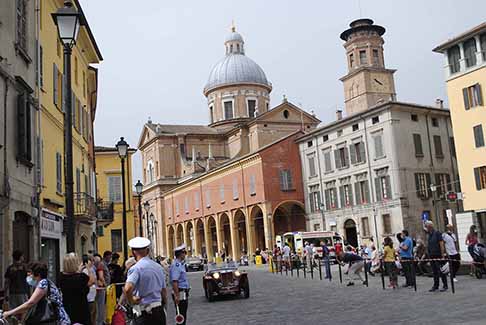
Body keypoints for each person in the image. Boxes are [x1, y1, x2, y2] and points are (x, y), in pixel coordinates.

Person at [3, 262, 70, 324]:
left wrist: (9, 313)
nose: (28, 275)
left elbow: (30, 303)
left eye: (31, 273)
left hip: (57, 321)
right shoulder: (47, 282)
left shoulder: (43, 283)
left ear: (38, 274)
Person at [124, 237, 167, 325]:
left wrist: (131, 300)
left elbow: (127, 288)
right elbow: (163, 291)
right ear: (147, 251)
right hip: (158, 310)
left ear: (133, 252)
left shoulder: (136, 268)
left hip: (144, 313)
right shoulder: (158, 267)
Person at [59, 252, 95, 325]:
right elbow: (91, 281)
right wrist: (89, 268)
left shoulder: (61, 277)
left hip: (67, 306)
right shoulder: (81, 277)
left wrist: (78, 271)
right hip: (81, 308)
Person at [425, 221, 448, 292]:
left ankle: (445, 285)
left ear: (430, 226)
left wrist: (442, 254)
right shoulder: (429, 235)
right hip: (431, 255)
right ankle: (436, 285)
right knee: (434, 271)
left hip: (438, 255)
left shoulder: (437, 233)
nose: (426, 228)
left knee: (441, 271)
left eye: (427, 226)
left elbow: (441, 244)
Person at [170, 244, 190, 325]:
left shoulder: (180, 264)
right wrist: (177, 296)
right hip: (180, 292)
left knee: (183, 314)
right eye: (184, 253)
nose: (185, 254)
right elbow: (175, 281)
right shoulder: (176, 265)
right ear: (180, 254)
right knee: (181, 316)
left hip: (183, 292)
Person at [94, 252, 111, 325]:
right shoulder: (101, 264)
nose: (110, 259)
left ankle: (101, 321)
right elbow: (101, 276)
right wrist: (106, 285)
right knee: (100, 306)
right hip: (102, 288)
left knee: (101, 305)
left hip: (102, 287)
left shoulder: (103, 264)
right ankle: (99, 322)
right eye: (109, 257)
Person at [83, 254, 98, 325]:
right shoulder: (85, 271)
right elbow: (91, 282)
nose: (93, 262)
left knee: (94, 315)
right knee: (91, 316)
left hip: (93, 297)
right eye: (91, 261)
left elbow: (95, 280)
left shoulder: (92, 270)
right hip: (88, 298)